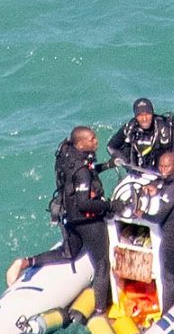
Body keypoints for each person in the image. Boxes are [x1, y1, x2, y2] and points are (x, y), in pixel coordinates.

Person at [11, 126, 123, 314]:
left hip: (68, 217)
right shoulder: (82, 171)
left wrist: (107, 165)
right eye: (92, 139)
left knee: (69, 253)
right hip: (87, 222)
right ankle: (100, 311)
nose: (96, 141)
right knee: (102, 265)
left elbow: (84, 175)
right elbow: (85, 203)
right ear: (81, 144)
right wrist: (111, 205)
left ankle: (26, 262)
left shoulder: (68, 154)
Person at [140, 151, 174, 310]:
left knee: (168, 278)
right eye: (161, 166)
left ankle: (167, 314)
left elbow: (159, 217)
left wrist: (142, 214)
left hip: (172, 237)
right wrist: (157, 190)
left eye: (167, 166)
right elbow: (167, 191)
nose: (163, 170)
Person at [107, 98, 174, 170]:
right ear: (135, 116)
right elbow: (111, 146)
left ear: (152, 113)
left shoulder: (166, 130)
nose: (144, 119)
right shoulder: (130, 128)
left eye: (147, 114)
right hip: (146, 168)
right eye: (140, 115)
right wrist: (124, 160)